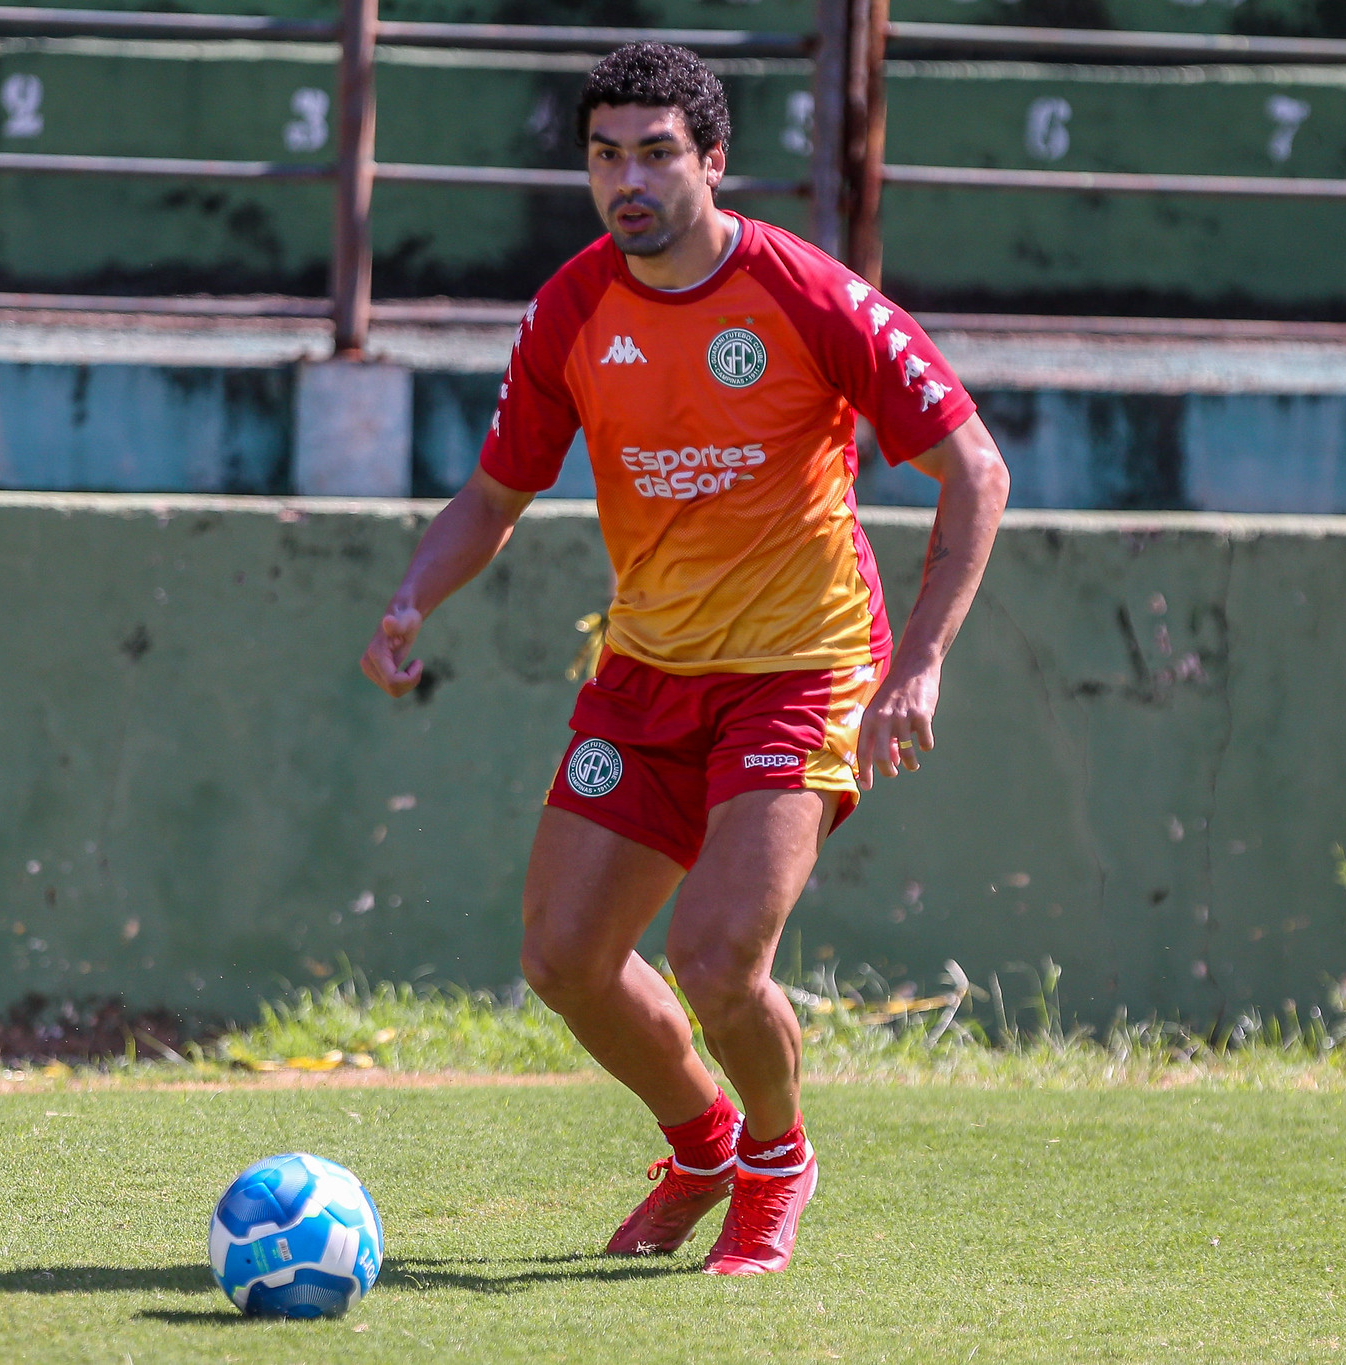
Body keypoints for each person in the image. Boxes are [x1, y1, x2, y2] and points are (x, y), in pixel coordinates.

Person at [359, 42, 1009, 1275]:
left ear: (712, 161)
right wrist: (410, 597)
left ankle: (776, 1160)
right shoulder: (570, 308)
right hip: (648, 671)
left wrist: (919, 662)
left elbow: (974, 469)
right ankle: (703, 1145)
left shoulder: (805, 295)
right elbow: (492, 497)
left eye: (655, 153)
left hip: (803, 667)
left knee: (713, 958)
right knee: (561, 957)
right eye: (605, 156)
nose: (627, 180)